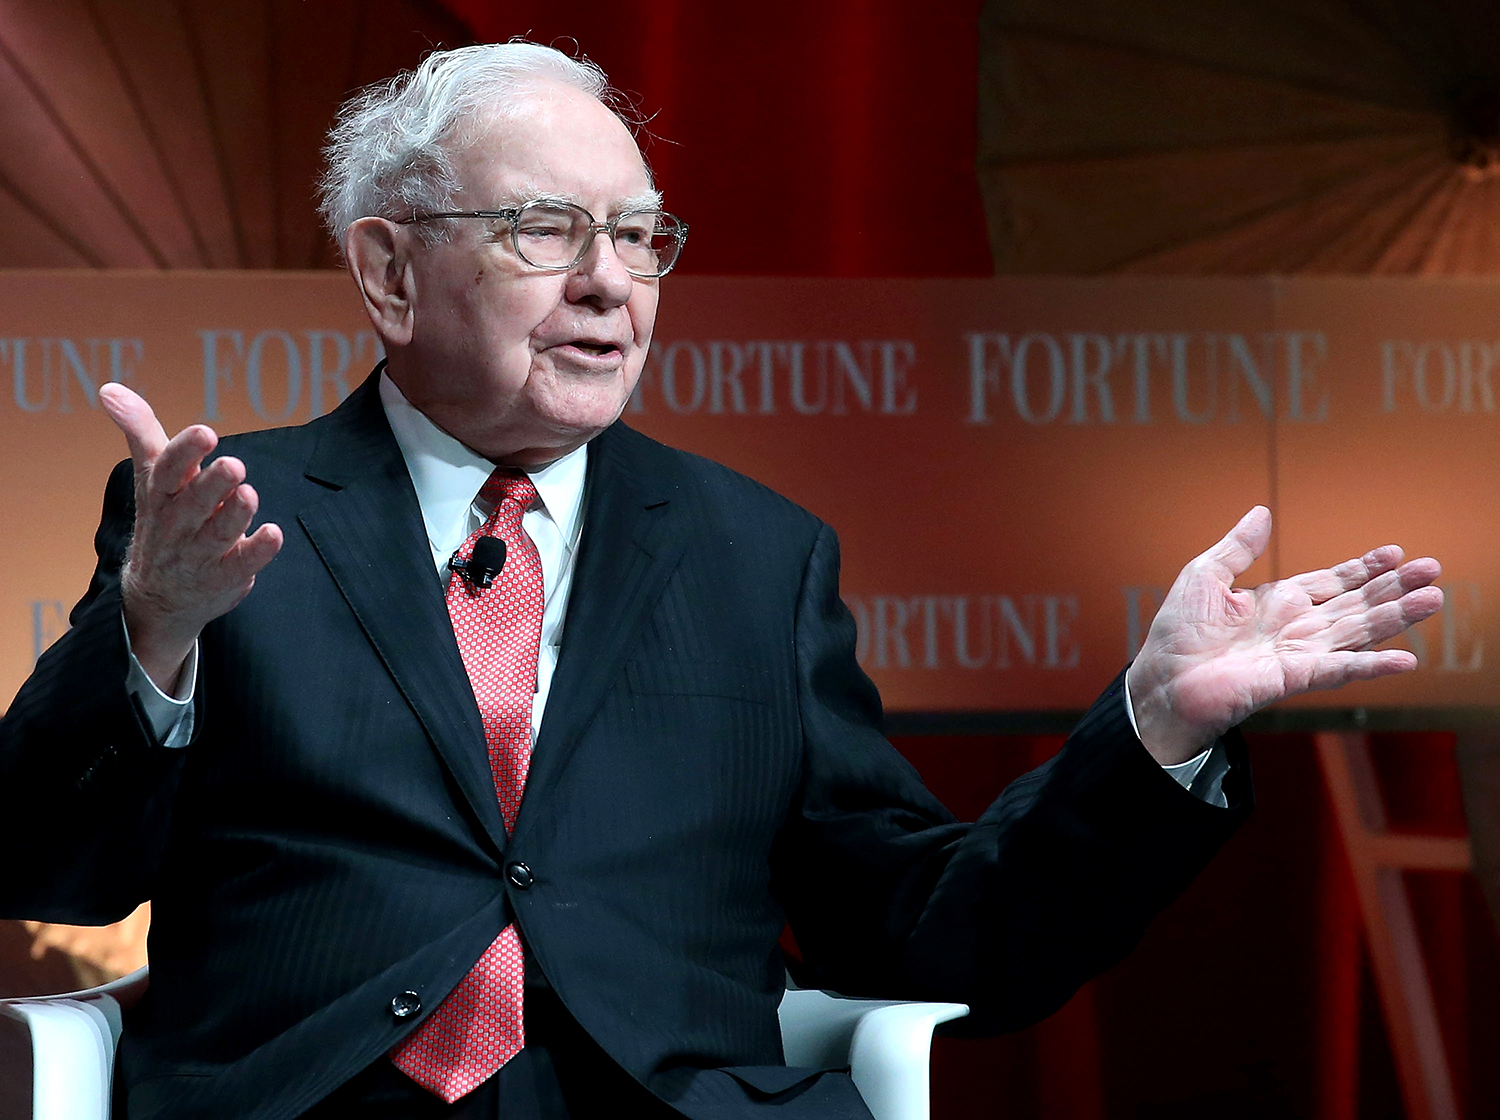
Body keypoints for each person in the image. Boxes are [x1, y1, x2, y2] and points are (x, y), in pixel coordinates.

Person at [0, 42, 1442, 1120]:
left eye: (638, 238)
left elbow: (928, 934)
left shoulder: (757, 557)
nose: (610, 284)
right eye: (547, 231)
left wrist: (1157, 725)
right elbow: (48, 871)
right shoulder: (221, 523)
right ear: (388, 271)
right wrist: (151, 632)